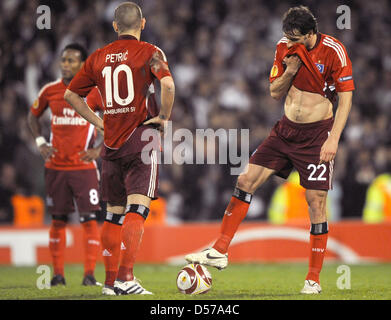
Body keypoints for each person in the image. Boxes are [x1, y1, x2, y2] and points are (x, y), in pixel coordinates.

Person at [186, 6, 354, 294]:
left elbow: (346, 98)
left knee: (315, 202)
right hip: (285, 130)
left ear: (311, 34)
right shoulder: (284, 48)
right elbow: (275, 92)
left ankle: (313, 279)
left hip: (317, 136)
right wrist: (290, 69)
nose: (289, 44)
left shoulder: (334, 50)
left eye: (296, 39)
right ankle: (220, 250)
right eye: (287, 37)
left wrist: (333, 139)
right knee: (244, 180)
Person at [64, 2, 175, 295]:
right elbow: (169, 86)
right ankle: (126, 278)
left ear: (115, 27)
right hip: (141, 138)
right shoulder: (150, 52)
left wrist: (100, 124)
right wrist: (163, 117)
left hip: (111, 145)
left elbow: (72, 96)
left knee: (113, 213)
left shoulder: (98, 57)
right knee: (137, 208)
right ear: (143, 23)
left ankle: (111, 282)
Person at [27, 43, 103, 287]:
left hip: (83, 168)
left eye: (71, 60)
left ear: (82, 65)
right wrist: (40, 141)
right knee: (58, 220)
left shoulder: (94, 93)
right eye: (64, 60)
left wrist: (99, 149)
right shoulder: (50, 90)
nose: (66, 64)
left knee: (89, 220)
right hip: (57, 168)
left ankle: (89, 276)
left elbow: (115, 119)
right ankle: (58, 275)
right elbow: (33, 116)